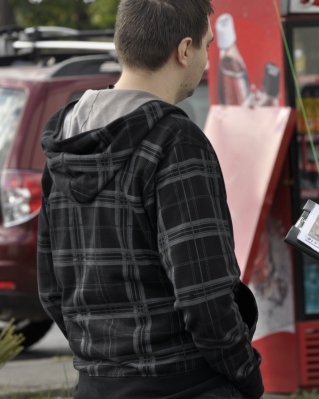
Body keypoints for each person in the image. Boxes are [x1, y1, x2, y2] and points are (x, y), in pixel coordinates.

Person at [36, 1, 264, 398]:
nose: (209, 62)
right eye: (208, 47)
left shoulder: (64, 142)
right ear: (184, 49)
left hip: (95, 385)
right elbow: (205, 297)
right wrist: (247, 375)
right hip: (186, 383)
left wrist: (102, 362)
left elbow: (51, 289)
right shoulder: (177, 141)